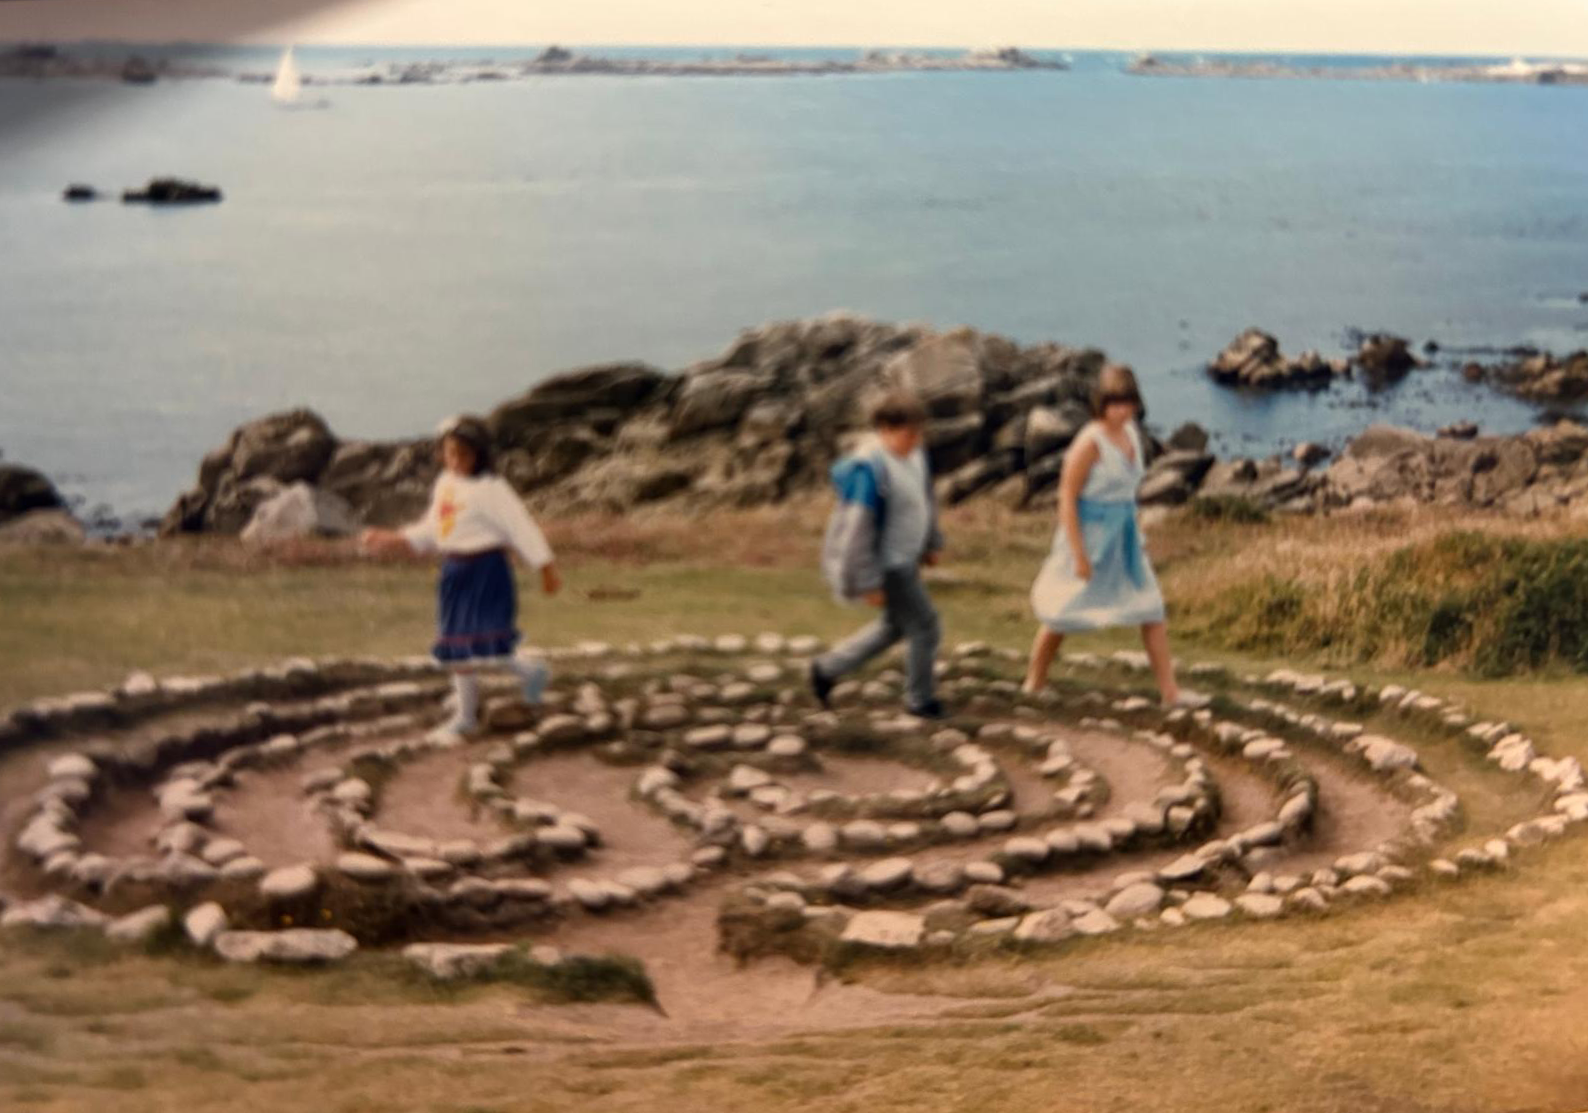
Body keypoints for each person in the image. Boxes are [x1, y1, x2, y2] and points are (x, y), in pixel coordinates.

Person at [361, 415, 562, 737]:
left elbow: (522, 528)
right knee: (457, 644)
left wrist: (546, 568)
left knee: (490, 646)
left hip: (488, 571)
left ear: (480, 454)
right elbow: (432, 530)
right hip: (455, 572)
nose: (456, 461)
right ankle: (466, 714)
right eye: (450, 453)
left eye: (464, 454)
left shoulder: (492, 489)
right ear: (442, 452)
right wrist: (392, 539)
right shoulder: (445, 485)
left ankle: (531, 674)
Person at [1023, 365, 1197, 706]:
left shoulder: (1132, 432)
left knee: (1152, 609)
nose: (1122, 410)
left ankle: (1170, 693)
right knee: (1062, 611)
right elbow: (1067, 497)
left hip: (1125, 537)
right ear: (1101, 403)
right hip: (1089, 536)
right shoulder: (1089, 442)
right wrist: (1078, 553)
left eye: (1128, 402)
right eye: (1115, 403)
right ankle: (1034, 681)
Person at [810, 389, 946, 719]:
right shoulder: (869, 470)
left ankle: (826, 669)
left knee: (896, 626)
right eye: (907, 434)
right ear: (883, 429)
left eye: (919, 433)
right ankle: (919, 701)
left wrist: (931, 542)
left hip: (907, 557)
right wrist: (867, 581)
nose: (914, 440)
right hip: (888, 563)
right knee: (926, 626)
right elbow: (856, 532)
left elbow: (923, 500)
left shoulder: (915, 454)